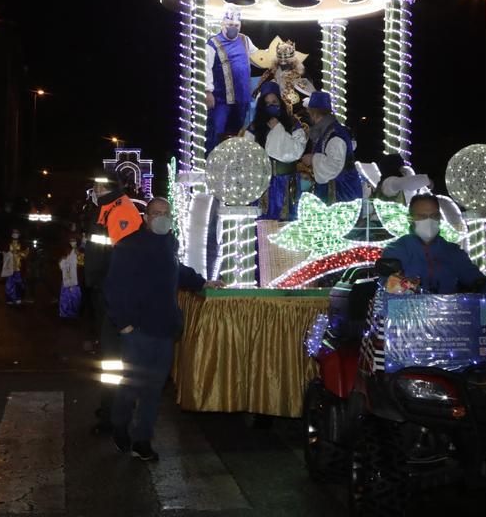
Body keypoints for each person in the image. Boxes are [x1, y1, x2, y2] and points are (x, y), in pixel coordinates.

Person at [104, 197, 219, 462]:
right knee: (132, 385)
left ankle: (142, 440)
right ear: (146, 217)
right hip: (138, 331)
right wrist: (124, 324)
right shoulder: (128, 245)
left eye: (166, 213)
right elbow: (113, 287)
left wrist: (203, 282)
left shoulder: (169, 242)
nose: (162, 217)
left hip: (165, 329)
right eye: (156, 213)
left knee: (154, 390)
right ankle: (119, 425)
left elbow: (176, 271)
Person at [378, 194, 486, 295]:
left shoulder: (452, 252)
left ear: (440, 218)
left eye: (434, 216)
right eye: (422, 216)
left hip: (450, 316)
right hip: (408, 318)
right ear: (410, 218)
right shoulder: (396, 250)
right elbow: (388, 285)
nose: (429, 220)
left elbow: (477, 280)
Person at [245, 81, 307, 221]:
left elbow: (297, 151)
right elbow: (247, 154)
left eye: (274, 101)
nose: (271, 106)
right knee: (262, 225)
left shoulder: (292, 124)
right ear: (262, 106)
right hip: (262, 185)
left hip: (286, 182)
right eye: (267, 103)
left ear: (280, 102)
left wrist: (278, 129)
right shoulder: (255, 127)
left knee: (285, 225)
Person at [204, 6, 258, 153]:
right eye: (230, 25)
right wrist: (208, 91)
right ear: (223, 24)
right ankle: (210, 164)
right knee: (216, 133)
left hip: (242, 99)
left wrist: (276, 57)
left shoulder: (245, 40)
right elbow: (206, 68)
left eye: (236, 25)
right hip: (221, 100)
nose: (233, 28)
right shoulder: (213, 43)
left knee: (237, 135)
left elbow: (258, 58)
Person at [299, 91, 364, 204]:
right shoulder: (327, 131)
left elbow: (334, 165)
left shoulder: (334, 133)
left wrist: (313, 159)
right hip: (338, 190)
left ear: (314, 113)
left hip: (341, 192)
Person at [58, 240, 81, 319]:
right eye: (71, 241)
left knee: (75, 297)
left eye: (74, 241)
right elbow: (61, 265)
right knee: (65, 297)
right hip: (66, 279)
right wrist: (62, 261)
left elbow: (80, 260)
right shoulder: (66, 253)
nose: (72, 242)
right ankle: (64, 313)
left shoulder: (77, 252)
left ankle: (73, 313)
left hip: (76, 280)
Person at [1, 232, 23, 306]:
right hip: (10, 268)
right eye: (14, 232)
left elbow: (25, 253)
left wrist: (19, 253)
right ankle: (9, 299)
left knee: (19, 283)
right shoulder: (7, 244)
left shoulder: (22, 244)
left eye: (17, 233)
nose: (15, 234)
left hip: (18, 268)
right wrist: (10, 253)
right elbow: (4, 253)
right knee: (9, 284)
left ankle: (18, 298)